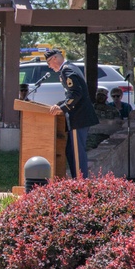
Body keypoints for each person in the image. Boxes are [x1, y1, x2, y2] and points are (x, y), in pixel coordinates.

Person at [45, 49, 97, 179]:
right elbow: (73, 94)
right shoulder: (70, 67)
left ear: (55, 58)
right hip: (79, 116)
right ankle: (77, 179)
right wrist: (60, 104)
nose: (49, 67)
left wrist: (63, 107)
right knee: (71, 151)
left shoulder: (67, 70)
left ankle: (81, 182)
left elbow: (76, 94)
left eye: (49, 63)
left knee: (77, 153)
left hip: (79, 117)